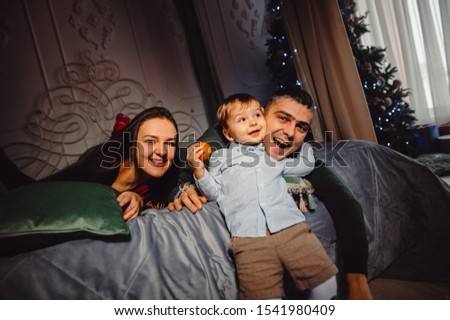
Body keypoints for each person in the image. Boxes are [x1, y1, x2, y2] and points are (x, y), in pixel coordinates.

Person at [168, 88, 373, 300]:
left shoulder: (296, 157)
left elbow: (345, 202)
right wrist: (186, 188)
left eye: (301, 127)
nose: (291, 132)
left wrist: (357, 280)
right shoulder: (221, 141)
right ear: (263, 113)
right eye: (283, 118)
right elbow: (178, 178)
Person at [1, 107, 180, 221]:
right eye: (150, 141)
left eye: (170, 143)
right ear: (132, 145)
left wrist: (139, 201)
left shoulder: (169, 179)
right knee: (25, 192)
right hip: (55, 201)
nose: (162, 152)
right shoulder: (104, 165)